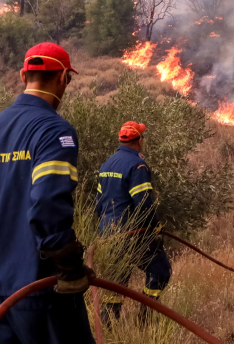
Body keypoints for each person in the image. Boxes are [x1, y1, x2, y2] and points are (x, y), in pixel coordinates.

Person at [0, 42, 94, 344]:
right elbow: (47, 205)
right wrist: (69, 264)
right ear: (64, 77)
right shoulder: (56, 131)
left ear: (22, 76)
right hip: (40, 291)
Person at [95, 120, 172, 324]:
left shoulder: (107, 164)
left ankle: (108, 325)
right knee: (160, 270)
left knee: (115, 281)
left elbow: (98, 204)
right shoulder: (137, 165)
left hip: (108, 234)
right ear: (139, 140)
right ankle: (146, 317)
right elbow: (144, 203)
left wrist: (104, 230)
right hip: (133, 233)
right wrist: (155, 228)